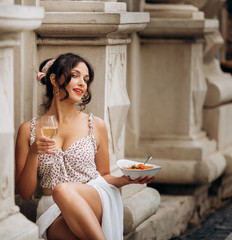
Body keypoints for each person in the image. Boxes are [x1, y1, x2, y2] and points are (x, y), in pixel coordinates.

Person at [15, 53, 155, 240]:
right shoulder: (28, 130)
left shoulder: (95, 125)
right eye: (75, 75)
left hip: (93, 196)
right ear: (54, 80)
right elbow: (25, 194)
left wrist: (125, 179)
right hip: (50, 208)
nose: (83, 83)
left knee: (62, 189)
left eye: (86, 79)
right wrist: (33, 153)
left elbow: (104, 174)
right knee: (66, 229)